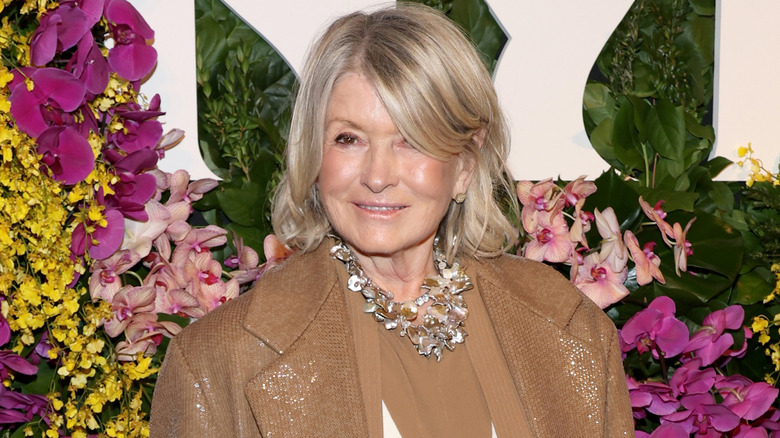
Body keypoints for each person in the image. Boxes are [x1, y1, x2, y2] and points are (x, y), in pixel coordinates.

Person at [150, 3, 633, 437]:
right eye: (348, 139)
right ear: (314, 155)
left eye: (411, 140)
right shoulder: (218, 361)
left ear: (465, 164)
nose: (377, 176)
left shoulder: (569, 323)